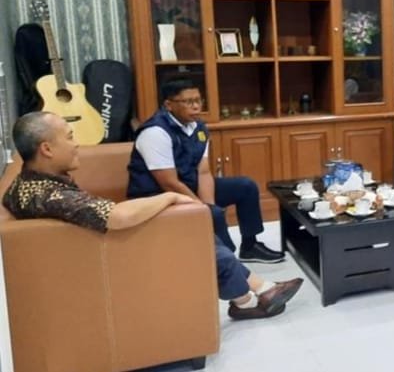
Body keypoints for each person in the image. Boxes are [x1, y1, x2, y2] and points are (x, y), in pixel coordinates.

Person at [3, 112, 303, 320]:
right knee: (192, 234)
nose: (76, 143)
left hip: (90, 249)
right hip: (103, 261)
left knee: (198, 232)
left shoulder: (30, 182)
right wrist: (170, 197)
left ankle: (248, 296)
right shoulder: (50, 195)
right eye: (69, 137)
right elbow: (116, 217)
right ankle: (255, 294)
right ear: (46, 149)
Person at [126, 78, 283, 263]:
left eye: (198, 100)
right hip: (158, 196)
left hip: (188, 185)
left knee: (245, 187)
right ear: (168, 105)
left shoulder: (198, 127)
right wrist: (203, 209)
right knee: (212, 213)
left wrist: (209, 205)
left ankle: (250, 246)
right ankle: (225, 263)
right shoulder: (155, 132)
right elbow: (169, 182)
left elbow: (203, 172)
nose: (196, 107)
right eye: (188, 102)